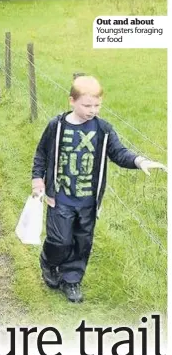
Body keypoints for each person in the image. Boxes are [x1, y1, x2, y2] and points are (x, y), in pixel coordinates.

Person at [31, 75, 167, 303]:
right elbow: (42, 154)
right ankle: (49, 261)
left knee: (82, 243)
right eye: (87, 105)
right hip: (61, 199)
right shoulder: (57, 126)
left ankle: (71, 280)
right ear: (71, 101)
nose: (92, 110)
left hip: (88, 202)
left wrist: (140, 161)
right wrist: (38, 179)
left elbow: (119, 153)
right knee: (60, 240)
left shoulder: (103, 130)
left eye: (97, 105)